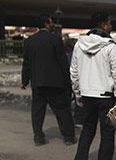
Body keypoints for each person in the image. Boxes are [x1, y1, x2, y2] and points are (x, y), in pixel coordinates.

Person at [69, 12, 116, 160]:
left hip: (87, 94)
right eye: (109, 23)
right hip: (106, 95)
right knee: (107, 134)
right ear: (103, 25)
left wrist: (78, 92)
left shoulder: (79, 45)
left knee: (87, 130)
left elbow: (74, 72)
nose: (111, 26)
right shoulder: (111, 47)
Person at [21, 14, 76, 146]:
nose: (52, 25)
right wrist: (68, 79)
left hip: (38, 82)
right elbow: (62, 62)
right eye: (50, 22)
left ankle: (38, 137)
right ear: (46, 24)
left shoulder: (29, 41)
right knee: (62, 110)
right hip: (55, 82)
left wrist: (25, 80)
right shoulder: (55, 40)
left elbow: (26, 63)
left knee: (37, 111)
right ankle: (68, 136)